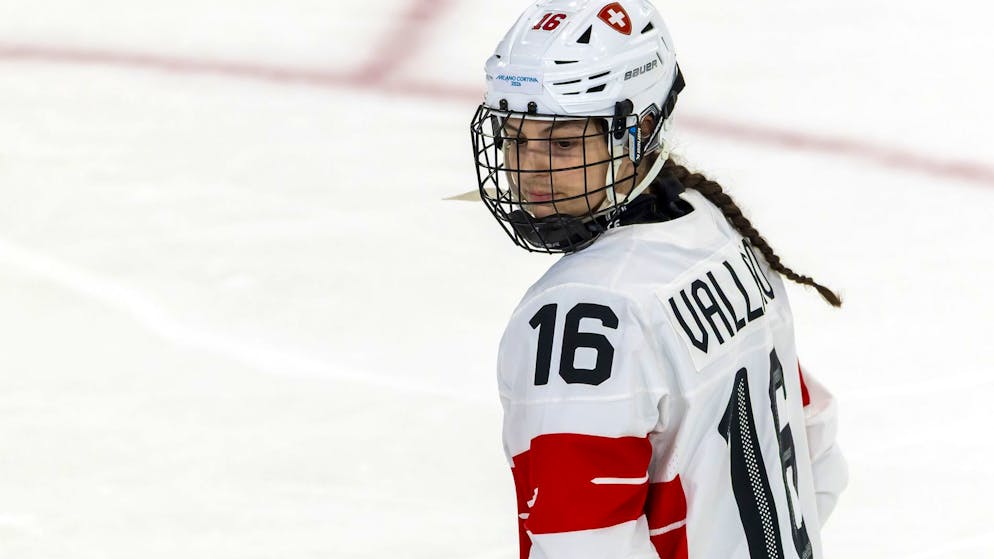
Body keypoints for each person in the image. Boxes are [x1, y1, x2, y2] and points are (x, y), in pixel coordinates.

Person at [469, 1, 849, 558]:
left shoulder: (584, 312)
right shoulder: (714, 230)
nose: (531, 169)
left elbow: (579, 542)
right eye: (515, 137)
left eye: (563, 143)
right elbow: (815, 446)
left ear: (641, 128)